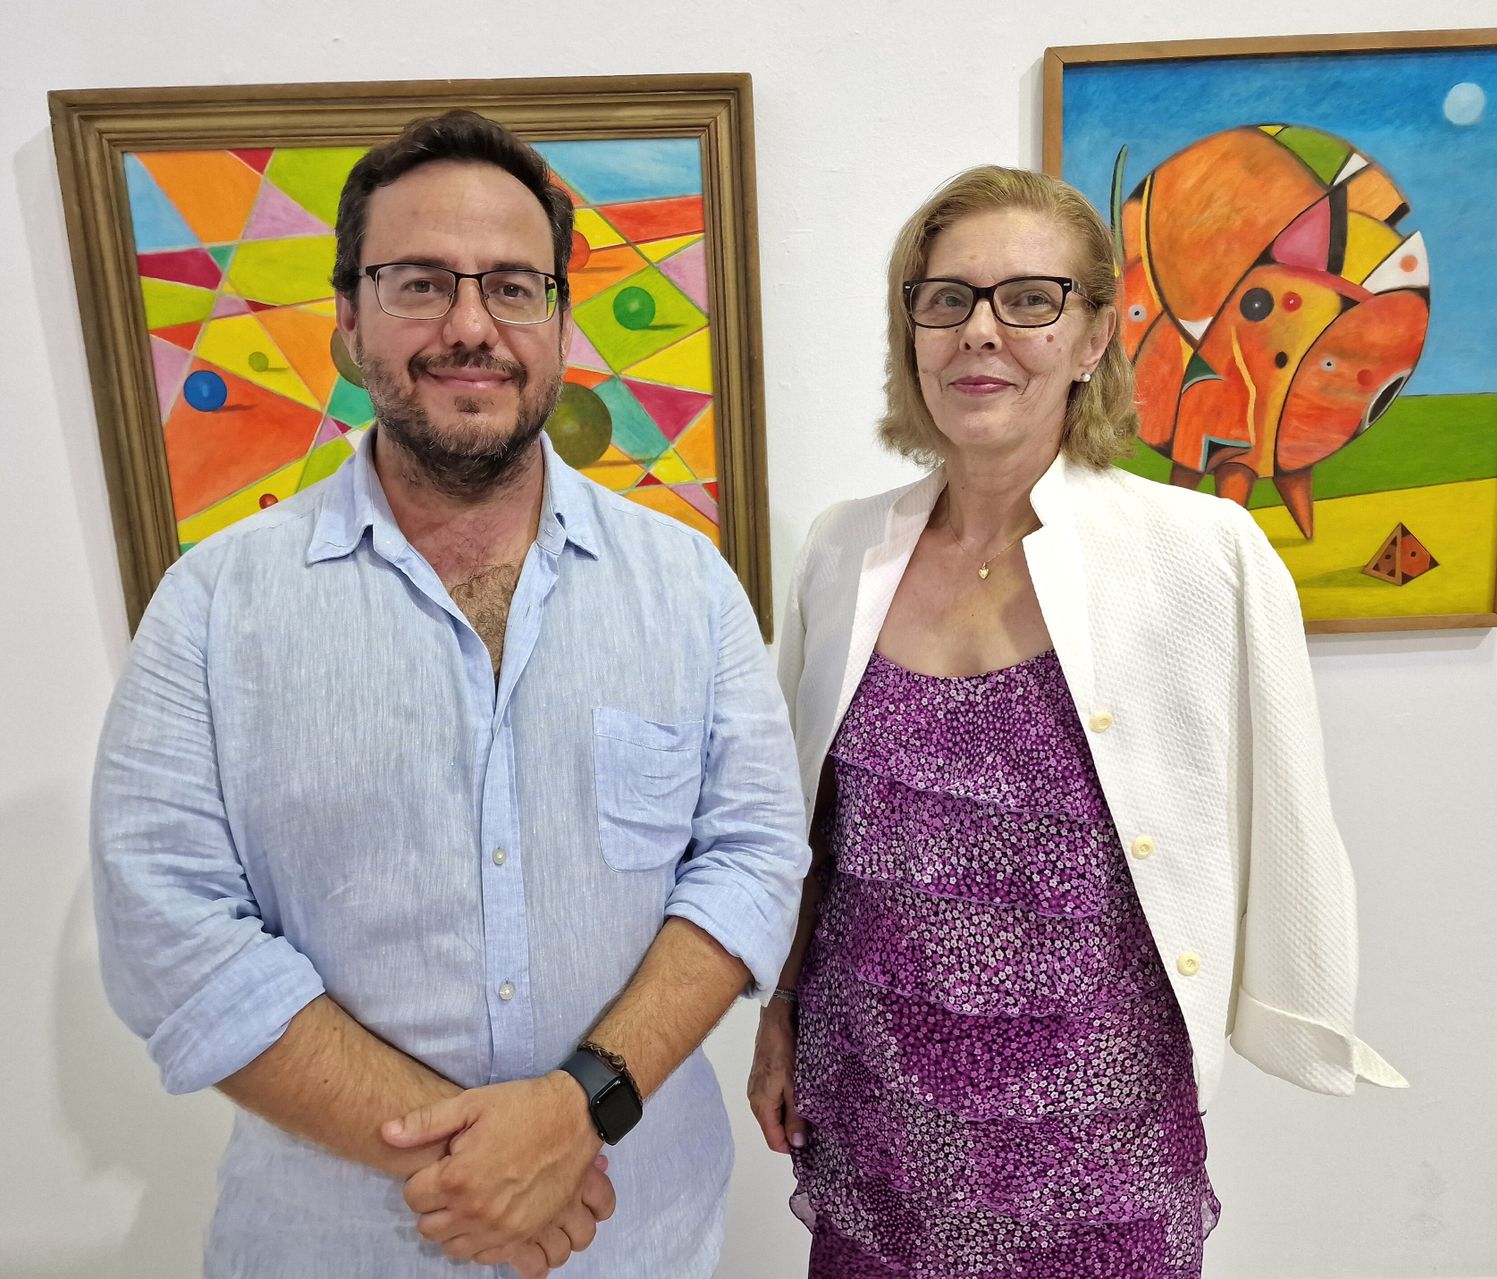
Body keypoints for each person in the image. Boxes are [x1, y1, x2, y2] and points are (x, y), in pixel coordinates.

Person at [91, 110, 809, 1279]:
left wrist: (578, 1108)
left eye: (514, 286)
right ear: (344, 321)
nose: (471, 326)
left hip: (637, 1241)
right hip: (332, 1251)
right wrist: (481, 1160)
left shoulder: (688, 587)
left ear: (561, 322)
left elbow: (751, 859)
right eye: (419, 281)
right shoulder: (213, 606)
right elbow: (171, 934)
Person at [747, 165, 1406, 1278]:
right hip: (874, 1094)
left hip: (1097, 1119)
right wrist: (778, 1016)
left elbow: (1286, 809)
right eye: (945, 297)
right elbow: (806, 824)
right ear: (910, 326)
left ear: (1095, 334)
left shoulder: (1203, 556)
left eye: (1030, 299)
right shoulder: (838, 548)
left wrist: (1297, 1003)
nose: (980, 333)